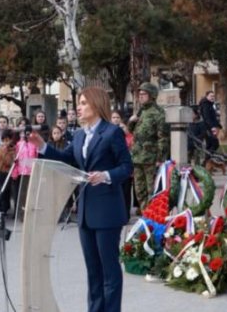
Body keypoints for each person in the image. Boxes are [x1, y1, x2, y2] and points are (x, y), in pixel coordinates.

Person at [28, 86, 133, 312]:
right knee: (93, 271)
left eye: (84, 102)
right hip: (86, 213)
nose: (79, 107)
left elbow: (126, 167)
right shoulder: (78, 135)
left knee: (109, 271)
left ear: (96, 104)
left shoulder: (112, 132)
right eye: (79, 102)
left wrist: (106, 176)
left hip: (107, 212)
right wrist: (43, 147)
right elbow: (67, 159)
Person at [127, 82, 167, 210]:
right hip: (137, 157)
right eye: (139, 94)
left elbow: (163, 138)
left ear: (152, 95)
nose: (140, 96)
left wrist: (160, 159)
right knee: (139, 190)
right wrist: (131, 122)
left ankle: (153, 216)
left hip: (151, 159)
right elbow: (132, 132)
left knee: (152, 190)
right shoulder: (141, 111)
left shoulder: (158, 113)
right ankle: (146, 214)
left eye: (144, 94)